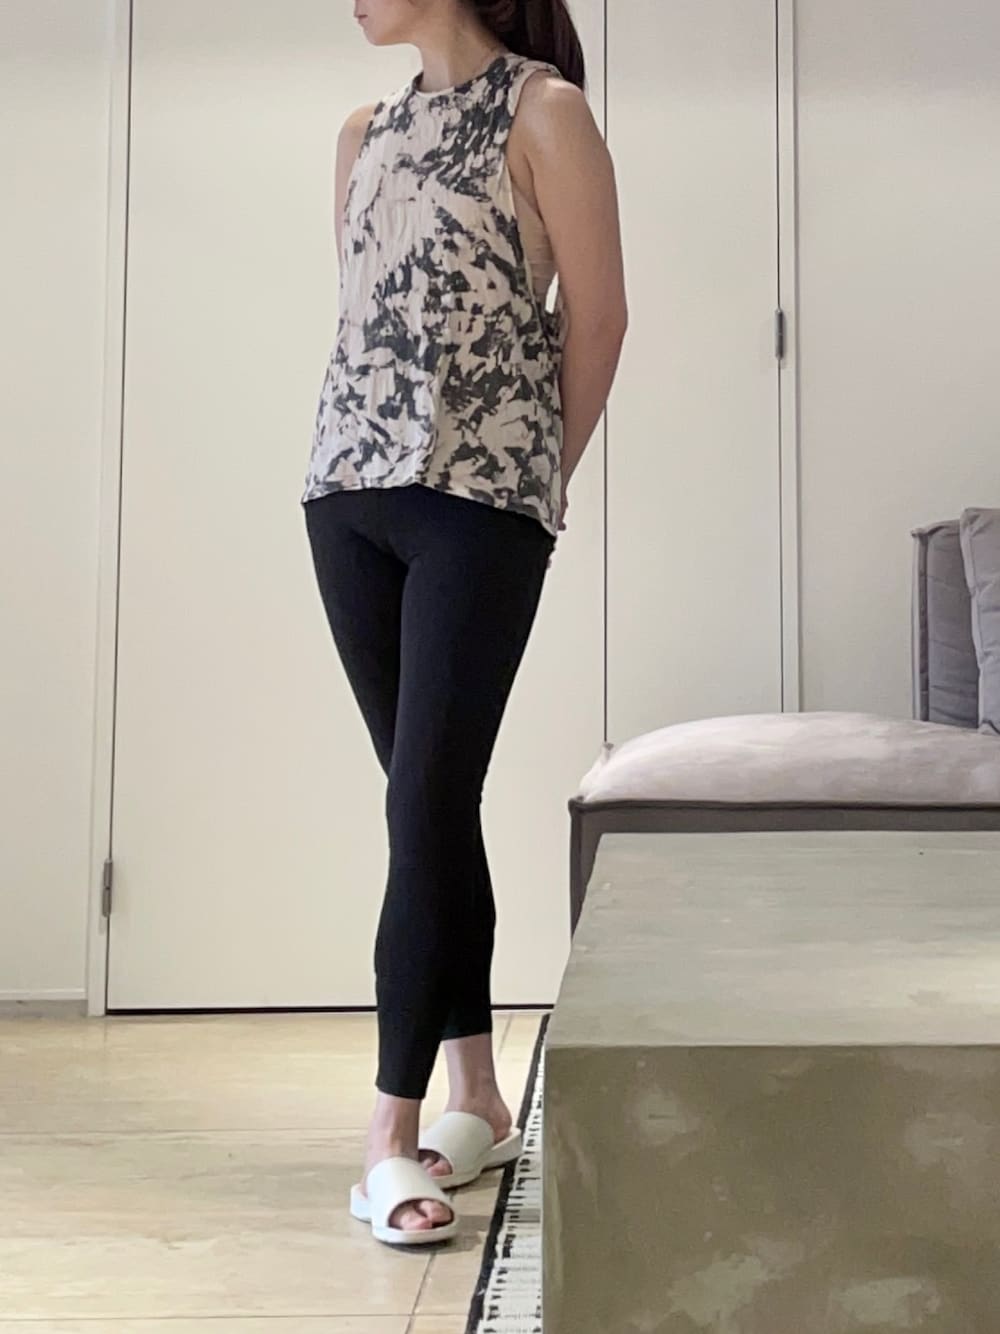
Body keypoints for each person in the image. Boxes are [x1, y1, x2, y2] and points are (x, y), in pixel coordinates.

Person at [302, 0, 627, 1247]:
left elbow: (597, 317)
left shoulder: (545, 111)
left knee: (425, 795)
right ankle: (477, 1090)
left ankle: (386, 1135)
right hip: (346, 492)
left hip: (480, 501)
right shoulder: (362, 132)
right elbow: (364, 314)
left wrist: (542, 475)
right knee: (426, 799)